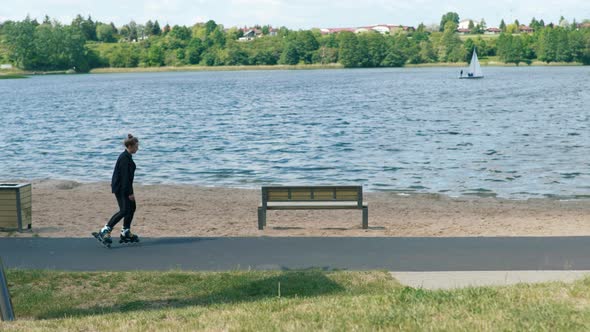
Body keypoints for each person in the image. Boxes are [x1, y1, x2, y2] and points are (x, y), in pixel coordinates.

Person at [96, 134, 140, 244]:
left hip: (124, 187)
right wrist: (129, 193)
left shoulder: (127, 157)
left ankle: (125, 232)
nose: (137, 148)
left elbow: (128, 178)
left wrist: (131, 192)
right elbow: (125, 178)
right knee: (124, 210)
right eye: (136, 146)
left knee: (132, 208)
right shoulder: (124, 158)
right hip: (121, 188)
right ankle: (104, 230)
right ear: (129, 146)